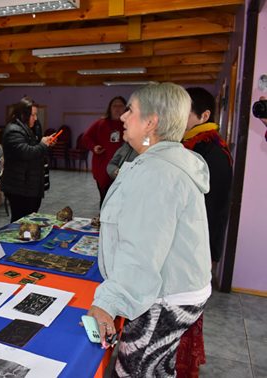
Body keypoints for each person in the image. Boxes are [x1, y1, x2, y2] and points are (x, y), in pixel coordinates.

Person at [87, 83, 212, 377]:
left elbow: (141, 251)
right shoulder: (163, 162)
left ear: (151, 122)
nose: (123, 117)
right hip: (181, 286)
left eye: (131, 110)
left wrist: (108, 304)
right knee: (156, 368)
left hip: (166, 296)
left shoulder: (156, 173)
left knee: (133, 370)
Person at [175, 87, 233, 377]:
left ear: (203, 115)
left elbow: (215, 211)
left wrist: (210, 255)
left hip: (194, 251)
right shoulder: (190, 145)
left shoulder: (213, 152)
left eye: (184, 111)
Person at [2, 97, 54, 222]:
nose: (36, 119)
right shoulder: (13, 130)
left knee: (30, 220)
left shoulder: (31, 127)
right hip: (19, 187)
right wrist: (43, 145)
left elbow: (36, 149)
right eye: (33, 115)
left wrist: (46, 143)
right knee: (20, 221)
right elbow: (26, 153)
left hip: (30, 184)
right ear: (23, 114)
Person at [82, 96, 126, 206]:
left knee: (119, 201)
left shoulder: (129, 125)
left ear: (126, 109)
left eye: (120, 106)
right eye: (114, 106)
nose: (117, 108)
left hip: (122, 168)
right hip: (102, 167)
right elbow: (86, 137)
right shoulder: (101, 123)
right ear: (109, 108)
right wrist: (94, 147)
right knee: (105, 199)